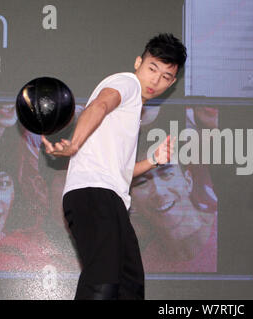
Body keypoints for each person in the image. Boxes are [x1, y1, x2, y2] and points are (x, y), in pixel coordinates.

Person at [41, 33, 187, 300]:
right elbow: (100, 104)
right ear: (138, 63)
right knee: (103, 281)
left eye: (165, 76)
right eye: (151, 68)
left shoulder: (132, 112)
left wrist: (153, 160)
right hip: (93, 193)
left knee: (130, 286)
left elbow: (121, 172)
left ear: (172, 82)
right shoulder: (127, 83)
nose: (155, 80)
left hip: (111, 197)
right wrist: (74, 144)